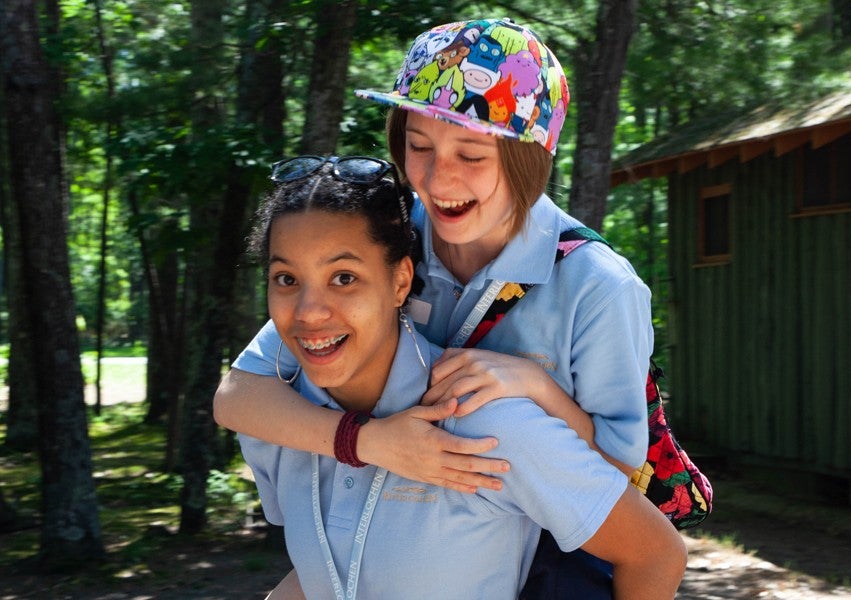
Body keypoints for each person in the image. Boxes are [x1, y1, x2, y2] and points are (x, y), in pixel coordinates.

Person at [215, 17, 655, 595]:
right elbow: (241, 393)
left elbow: (618, 474)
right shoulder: (392, 237)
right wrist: (367, 441)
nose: (438, 177)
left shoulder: (597, 287)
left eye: (471, 154)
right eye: (419, 146)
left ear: (528, 160)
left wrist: (536, 386)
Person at [238, 157, 686, 599]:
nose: (309, 312)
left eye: (343, 277)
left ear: (401, 281)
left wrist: (538, 386)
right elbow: (328, 569)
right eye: (286, 279)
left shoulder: (487, 427)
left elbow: (655, 553)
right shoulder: (279, 423)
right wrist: (360, 441)